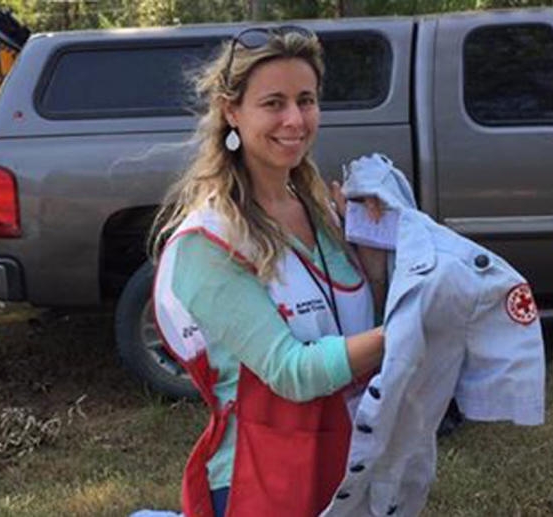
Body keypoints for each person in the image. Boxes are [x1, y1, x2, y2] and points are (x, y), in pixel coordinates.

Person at [149, 26, 387, 517]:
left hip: (350, 464)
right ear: (231, 111)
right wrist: (410, 330)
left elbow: (357, 322)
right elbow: (291, 373)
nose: (295, 119)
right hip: (264, 484)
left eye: (307, 100)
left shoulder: (322, 209)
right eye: (273, 103)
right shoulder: (208, 244)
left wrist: (374, 253)